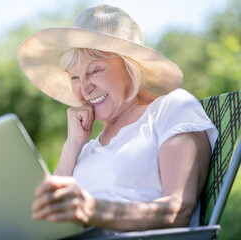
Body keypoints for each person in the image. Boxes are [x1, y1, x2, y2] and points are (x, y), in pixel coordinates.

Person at [17, 4, 218, 237]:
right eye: (74, 76)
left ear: (130, 66)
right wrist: (72, 145)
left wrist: (91, 209)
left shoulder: (171, 108)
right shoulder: (86, 148)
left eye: (95, 71)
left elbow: (176, 212)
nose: (84, 87)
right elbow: (45, 219)